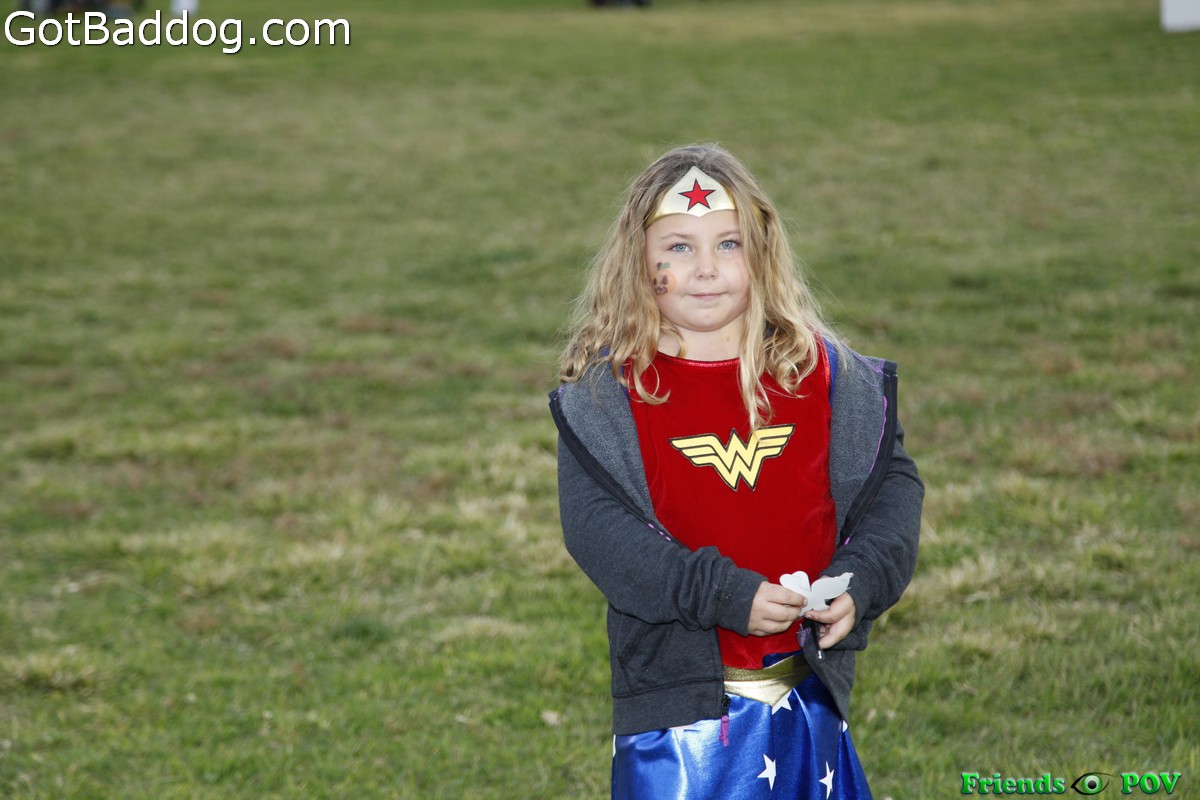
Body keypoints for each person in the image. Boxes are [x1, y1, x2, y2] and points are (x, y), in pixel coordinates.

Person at [548, 143, 923, 799]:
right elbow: (602, 536)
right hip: (682, 728)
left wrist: (860, 580)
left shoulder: (826, 378)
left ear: (763, 253)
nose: (706, 269)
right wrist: (724, 594)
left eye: (729, 244)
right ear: (637, 260)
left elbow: (891, 488)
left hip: (806, 699)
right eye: (678, 247)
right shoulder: (609, 399)